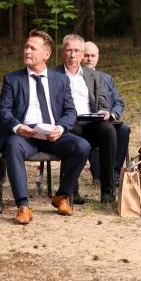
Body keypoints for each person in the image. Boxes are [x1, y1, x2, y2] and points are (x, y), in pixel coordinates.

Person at [0, 30, 90, 224]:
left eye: (32, 48)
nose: (27, 51)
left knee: (82, 146)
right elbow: (3, 112)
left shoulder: (60, 80)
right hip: (24, 136)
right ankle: (23, 206)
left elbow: (70, 111)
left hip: (53, 135)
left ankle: (62, 195)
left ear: (46, 54)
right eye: (26, 47)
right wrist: (17, 127)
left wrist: (61, 128)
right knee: (12, 144)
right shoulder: (12, 79)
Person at [54, 34, 118, 203]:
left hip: (91, 122)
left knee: (108, 131)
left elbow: (103, 100)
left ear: (83, 54)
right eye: (69, 50)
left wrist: (104, 112)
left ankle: (107, 190)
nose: (73, 55)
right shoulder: (53, 74)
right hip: (67, 123)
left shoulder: (93, 76)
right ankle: (71, 190)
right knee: (73, 131)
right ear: (62, 53)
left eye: (77, 51)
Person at [82, 41, 131, 186]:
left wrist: (112, 113)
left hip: (107, 119)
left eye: (93, 55)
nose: (90, 59)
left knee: (123, 129)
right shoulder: (75, 78)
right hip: (86, 121)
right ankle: (98, 175)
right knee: (99, 131)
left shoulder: (107, 78)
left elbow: (119, 102)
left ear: (97, 57)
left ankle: (114, 173)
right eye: (86, 55)